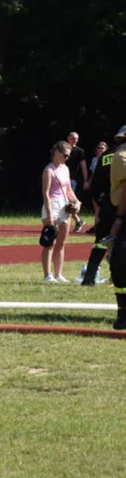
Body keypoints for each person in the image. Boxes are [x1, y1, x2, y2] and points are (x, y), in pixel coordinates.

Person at [41, 141, 83, 282]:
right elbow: (45, 193)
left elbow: (68, 190)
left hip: (64, 205)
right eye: (65, 155)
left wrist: (76, 201)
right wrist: (50, 214)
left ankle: (58, 274)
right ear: (56, 152)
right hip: (52, 205)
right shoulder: (49, 170)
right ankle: (48, 275)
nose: (66, 158)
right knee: (50, 241)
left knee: (61, 242)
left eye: (68, 156)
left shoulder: (65, 168)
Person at [80, 134, 118, 286]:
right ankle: (117, 277)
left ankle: (89, 277)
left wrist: (102, 203)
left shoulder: (105, 156)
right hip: (121, 207)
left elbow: (94, 184)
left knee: (100, 242)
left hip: (107, 206)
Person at [104, 127, 126, 329]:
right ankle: (122, 312)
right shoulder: (121, 157)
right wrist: (119, 219)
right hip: (123, 214)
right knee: (119, 265)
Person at [65, 131, 86, 232]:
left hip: (72, 179)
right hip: (61, 178)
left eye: (76, 139)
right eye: (73, 138)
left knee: (68, 202)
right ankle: (78, 221)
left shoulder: (80, 151)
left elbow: (83, 166)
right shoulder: (63, 149)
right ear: (68, 138)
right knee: (65, 202)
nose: (75, 140)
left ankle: (76, 221)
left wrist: (86, 180)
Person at [86, 141, 108, 230]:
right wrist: (88, 182)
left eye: (102, 148)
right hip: (95, 185)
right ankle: (96, 226)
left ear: (106, 149)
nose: (99, 150)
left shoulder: (107, 159)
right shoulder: (94, 160)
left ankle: (101, 226)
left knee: (103, 207)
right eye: (98, 148)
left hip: (104, 186)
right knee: (96, 207)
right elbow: (92, 173)